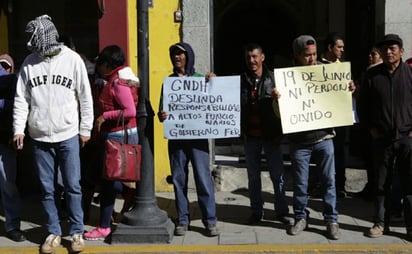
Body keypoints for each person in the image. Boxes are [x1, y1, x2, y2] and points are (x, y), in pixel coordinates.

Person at [12, 15, 93, 253]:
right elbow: (21, 99)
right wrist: (19, 128)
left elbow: (85, 96)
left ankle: (77, 232)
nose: (32, 46)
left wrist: (85, 128)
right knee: (47, 189)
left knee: (73, 185)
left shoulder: (73, 60)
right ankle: (54, 232)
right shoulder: (29, 62)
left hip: (68, 133)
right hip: (39, 136)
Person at [274, 35, 347, 240]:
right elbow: (280, 115)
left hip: (324, 139)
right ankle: (300, 217)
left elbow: (340, 99)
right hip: (300, 142)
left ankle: (331, 220)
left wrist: (348, 90)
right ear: (297, 55)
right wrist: (277, 100)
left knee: (329, 182)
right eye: (307, 55)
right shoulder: (287, 79)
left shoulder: (327, 71)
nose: (312, 59)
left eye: (314, 54)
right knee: (300, 184)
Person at [157, 42, 219, 237]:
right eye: (174, 54)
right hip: (177, 140)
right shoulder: (169, 83)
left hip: (198, 140)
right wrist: (163, 115)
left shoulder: (201, 79)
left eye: (181, 54)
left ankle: (210, 221)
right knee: (178, 180)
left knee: (203, 179)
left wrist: (214, 82)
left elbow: (216, 100)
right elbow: (161, 112)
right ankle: (183, 220)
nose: (177, 57)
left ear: (188, 57)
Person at [358, 34, 412, 240]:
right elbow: (363, 107)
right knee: (382, 184)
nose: (388, 52)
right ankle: (380, 223)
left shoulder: (410, 75)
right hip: (382, 138)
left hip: (407, 138)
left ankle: (410, 227)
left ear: (401, 51)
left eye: (393, 48)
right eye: (385, 49)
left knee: (409, 184)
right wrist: (371, 128)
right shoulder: (372, 76)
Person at [83, 45, 139, 241]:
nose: (97, 67)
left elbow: (130, 111)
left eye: (100, 63)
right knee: (93, 175)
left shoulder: (118, 83)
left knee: (106, 183)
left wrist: (104, 117)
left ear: (108, 64)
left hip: (116, 137)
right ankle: (127, 191)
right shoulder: (115, 79)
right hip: (113, 136)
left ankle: (104, 226)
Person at [240, 43, 290, 225]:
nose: (251, 60)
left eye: (254, 56)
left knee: (278, 176)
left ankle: (282, 211)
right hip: (250, 136)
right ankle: (256, 212)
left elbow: (287, 108)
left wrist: (281, 133)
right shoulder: (241, 80)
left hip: (272, 137)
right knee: (253, 177)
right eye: (248, 57)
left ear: (262, 57)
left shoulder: (276, 80)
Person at [0, 54, 27, 242]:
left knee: (8, 184)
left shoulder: (13, 82)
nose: (2, 69)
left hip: (4, 140)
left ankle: (12, 225)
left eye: (5, 66)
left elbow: (19, 105)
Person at [319, 32, 348, 198]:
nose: (342, 50)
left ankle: (340, 185)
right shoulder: (316, 65)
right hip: (320, 118)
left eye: (343, 47)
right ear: (330, 47)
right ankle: (320, 184)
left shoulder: (342, 67)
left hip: (338, 118)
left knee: (338, 152)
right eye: (339, 47)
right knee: (321, 153)